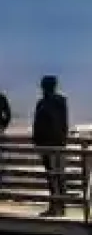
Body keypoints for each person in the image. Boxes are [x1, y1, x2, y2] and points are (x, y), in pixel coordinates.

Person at [32, 75, 70, 218]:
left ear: (44, 87)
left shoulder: (43, 103)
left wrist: (37, 142)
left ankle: (55, 207)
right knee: (59, 176)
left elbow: (39, 125)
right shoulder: (61, 102)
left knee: (53, 177)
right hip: (59, 144)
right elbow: (63, 125)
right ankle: (61, 207)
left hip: (49, 145)